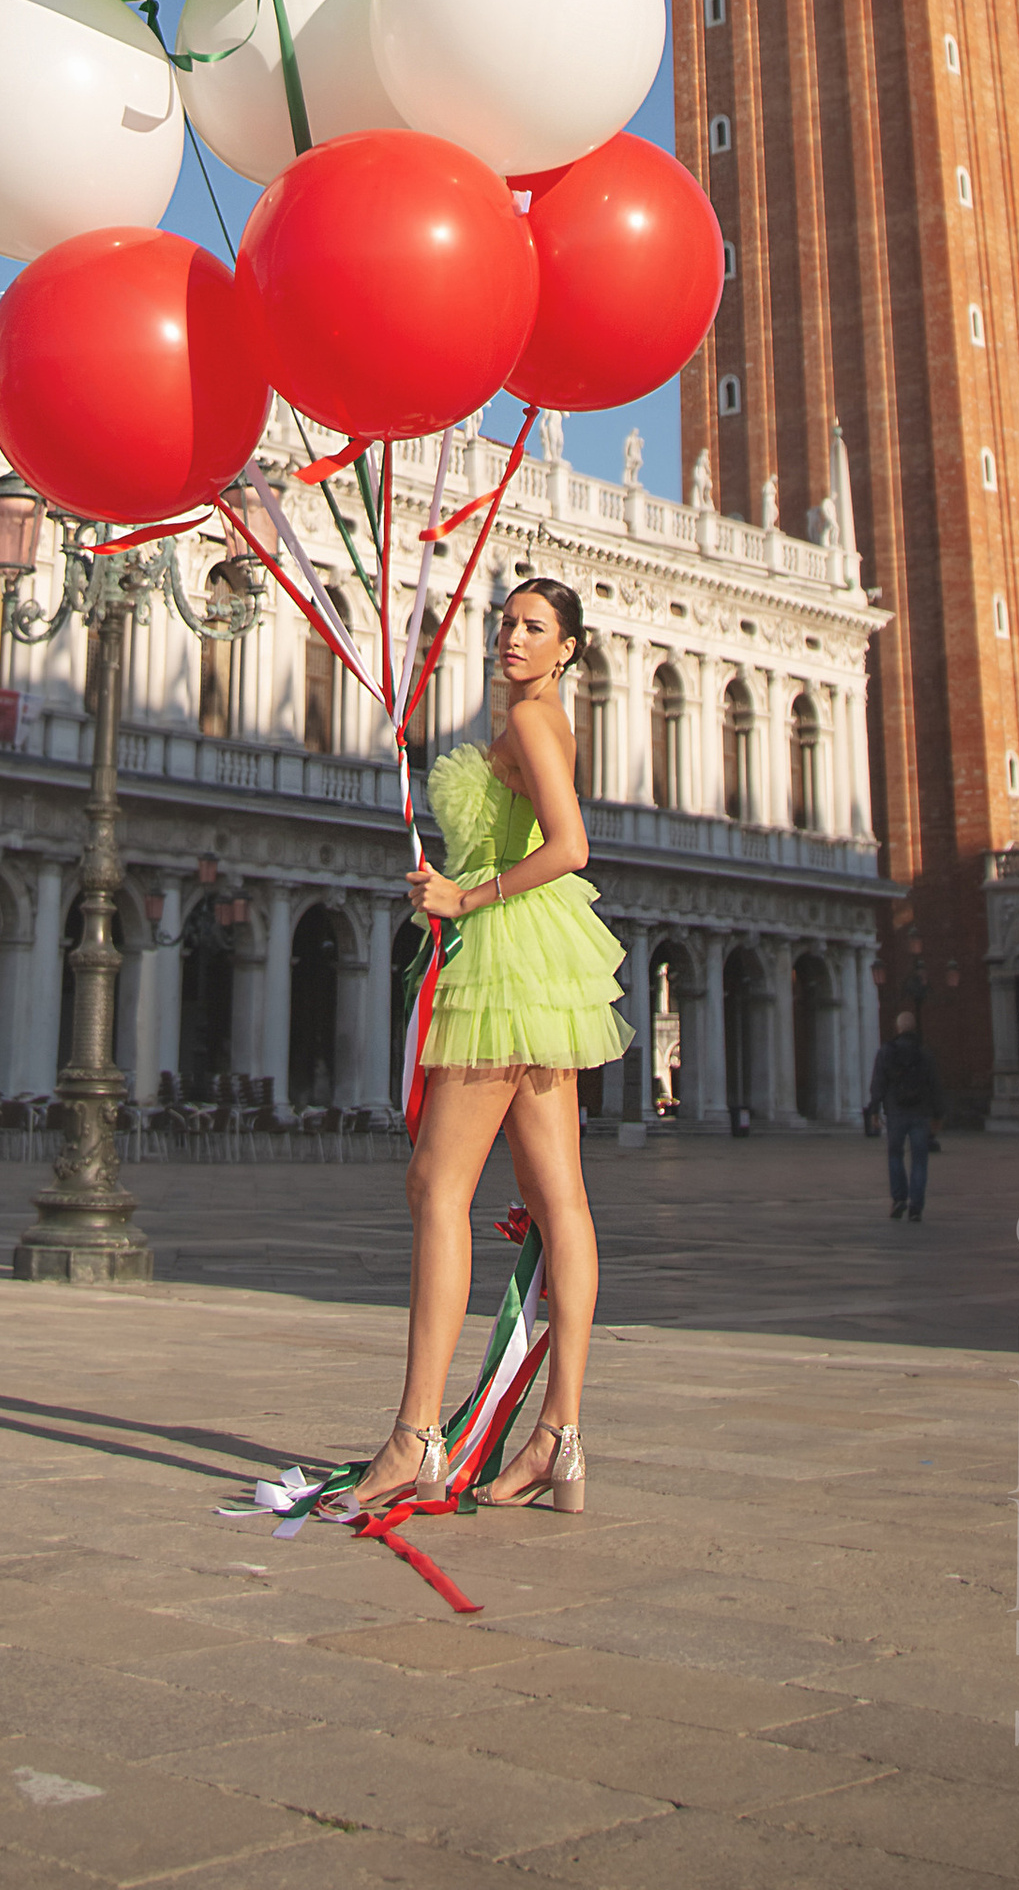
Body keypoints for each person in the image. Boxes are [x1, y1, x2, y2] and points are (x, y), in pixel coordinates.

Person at [350, 577, 629, 1522]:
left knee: (438, 1188)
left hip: (506, 958)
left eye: (534, 628)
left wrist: (467, 898)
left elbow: (573, 845)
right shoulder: (534, 718)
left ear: (567, 650)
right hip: (540, 959)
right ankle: (560, 1437)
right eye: (506, 623)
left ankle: (416, 1434)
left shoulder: (538, 723)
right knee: (562, 1204)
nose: (512, 637)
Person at [867, 1010, 942, 1221]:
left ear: (898, 1028)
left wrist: (874, 1110)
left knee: (895, 1155)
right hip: (920, 1113)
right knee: (920, 1159)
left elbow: (878, 1083)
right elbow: (935, 1085)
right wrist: (938, 1114)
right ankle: (916, 1206)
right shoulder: (925, 1053)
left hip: (896, 1112)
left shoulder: (886, 1052)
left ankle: (899, 1199)